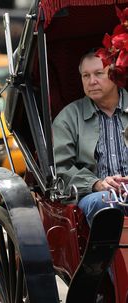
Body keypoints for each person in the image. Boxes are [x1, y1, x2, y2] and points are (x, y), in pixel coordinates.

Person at [53, 51, 128, 226]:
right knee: (105, 203)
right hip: (94, 195)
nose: (91, 81)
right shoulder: (68, 118)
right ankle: (111, 255)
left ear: (115, 74)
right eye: (85, 76)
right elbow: (60, 168)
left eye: (99, 73)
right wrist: (96, 183)